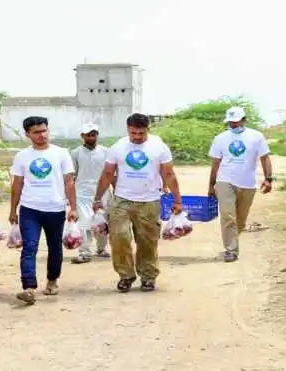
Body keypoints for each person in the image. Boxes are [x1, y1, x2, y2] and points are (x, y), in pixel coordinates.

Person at [93, 113, 182, 293]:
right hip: (122, 200)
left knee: (147, 241)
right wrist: (97, 198)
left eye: (141, 133)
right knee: (119, 238)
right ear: (128, 130)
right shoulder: (118, 147)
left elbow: (169, 174)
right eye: (133, 133)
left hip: (149, 201)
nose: (137, 137)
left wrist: (177, 200)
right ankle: (126, 275)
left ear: (147, 130)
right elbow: (107, 174)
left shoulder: (159, 147)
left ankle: (148, 276)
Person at [9, 116, 78, 305]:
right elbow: (17, 185)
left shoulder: (61, 153)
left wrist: (73, 207)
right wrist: (13, 210)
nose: (42, 135)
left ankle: (52, 280)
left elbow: (69, 182)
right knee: (29, 246)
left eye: (44, 131)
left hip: (55, 208)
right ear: (28, 134)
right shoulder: (22, 156)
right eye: (36, 132)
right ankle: (29, 287)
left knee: (54, 247)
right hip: (30, 209)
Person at [207, 106, 274, 263]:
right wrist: (211, 185)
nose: (233, 125)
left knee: (241, 220)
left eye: (236, 121)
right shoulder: (220, 138)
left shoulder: (256, 137)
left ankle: (233, 242)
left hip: (248, 184)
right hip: (225, 181)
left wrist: (268, 178)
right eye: (231, 122)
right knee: (228, 216)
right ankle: (231, 250)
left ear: (244, 120)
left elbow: (265, 158)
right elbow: (216, 163)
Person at [70, 124, 113, 264]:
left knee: (102, 221)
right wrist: (69, 197)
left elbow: (111, 174)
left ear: (97, 135)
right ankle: (84, 252)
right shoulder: (75, 153)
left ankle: (101, 249)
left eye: (93, 134)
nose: (91, 137)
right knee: (84, 223)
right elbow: (72, 176)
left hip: (103, 193)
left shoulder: (106, 152)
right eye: (88, 135)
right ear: (82, 136)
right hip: (82, 193)